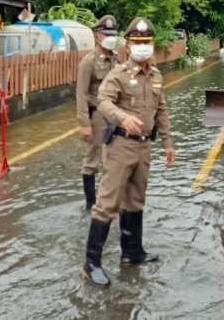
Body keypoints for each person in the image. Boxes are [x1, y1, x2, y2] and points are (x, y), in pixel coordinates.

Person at [81, 17, 175, 287]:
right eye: (137, 42)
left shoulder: (155, 76)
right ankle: (91, 263)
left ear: (152, 45)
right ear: (128, 45)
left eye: (146, 42)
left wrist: (168, 143)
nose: (142, 47)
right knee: (108, 202)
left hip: (144, 146)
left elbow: (162, 111)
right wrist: (122, 118)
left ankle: (132, 252)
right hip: (121, 145)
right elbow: (103, 101)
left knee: (135, 199)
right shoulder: (119, 74)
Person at [76, 14, 120, 211]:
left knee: (113, 159)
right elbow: (81, 94)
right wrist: (84, 124)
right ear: (96, 36)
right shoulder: (89, 61)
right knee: (92, 161)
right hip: (97, 117)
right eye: (106, 34)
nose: (111, 37)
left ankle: (108, 202)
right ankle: (90, 206)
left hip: (115, 116)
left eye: (113, 33)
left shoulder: (117, 59)